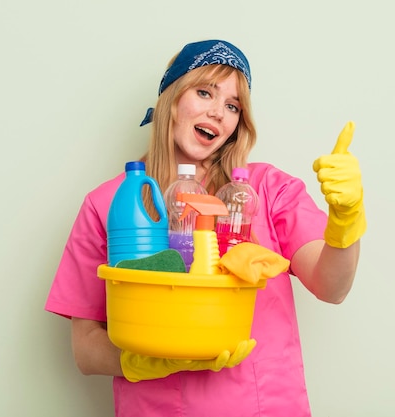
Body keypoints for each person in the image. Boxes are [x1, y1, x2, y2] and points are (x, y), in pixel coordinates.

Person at [45, 39, 366, 417]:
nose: (218, 113)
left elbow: (333, 286)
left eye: (233, 106)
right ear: (171, 97)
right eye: (204, 92)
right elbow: (85, 348)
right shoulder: (111, 204)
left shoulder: (265, 191)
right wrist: (140, 363)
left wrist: (346, 221)